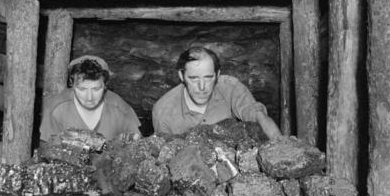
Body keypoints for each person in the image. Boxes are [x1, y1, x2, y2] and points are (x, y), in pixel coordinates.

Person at [152, 45, 282, 139]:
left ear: (217, 75)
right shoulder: (163, 111)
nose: (202, 87)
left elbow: (257, 115)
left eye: (208, 78)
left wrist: (279, 143)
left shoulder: (230, 88)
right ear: (181, 76)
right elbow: (166, 156)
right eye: (193, 79)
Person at [40, 55, 141, 142]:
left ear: (105, 85)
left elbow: (139, 147)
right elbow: (46, 151)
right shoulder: (56, 109)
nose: (89, 97)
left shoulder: (121, 109)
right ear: (72, 85)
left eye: (96, 89)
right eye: (82, 89)